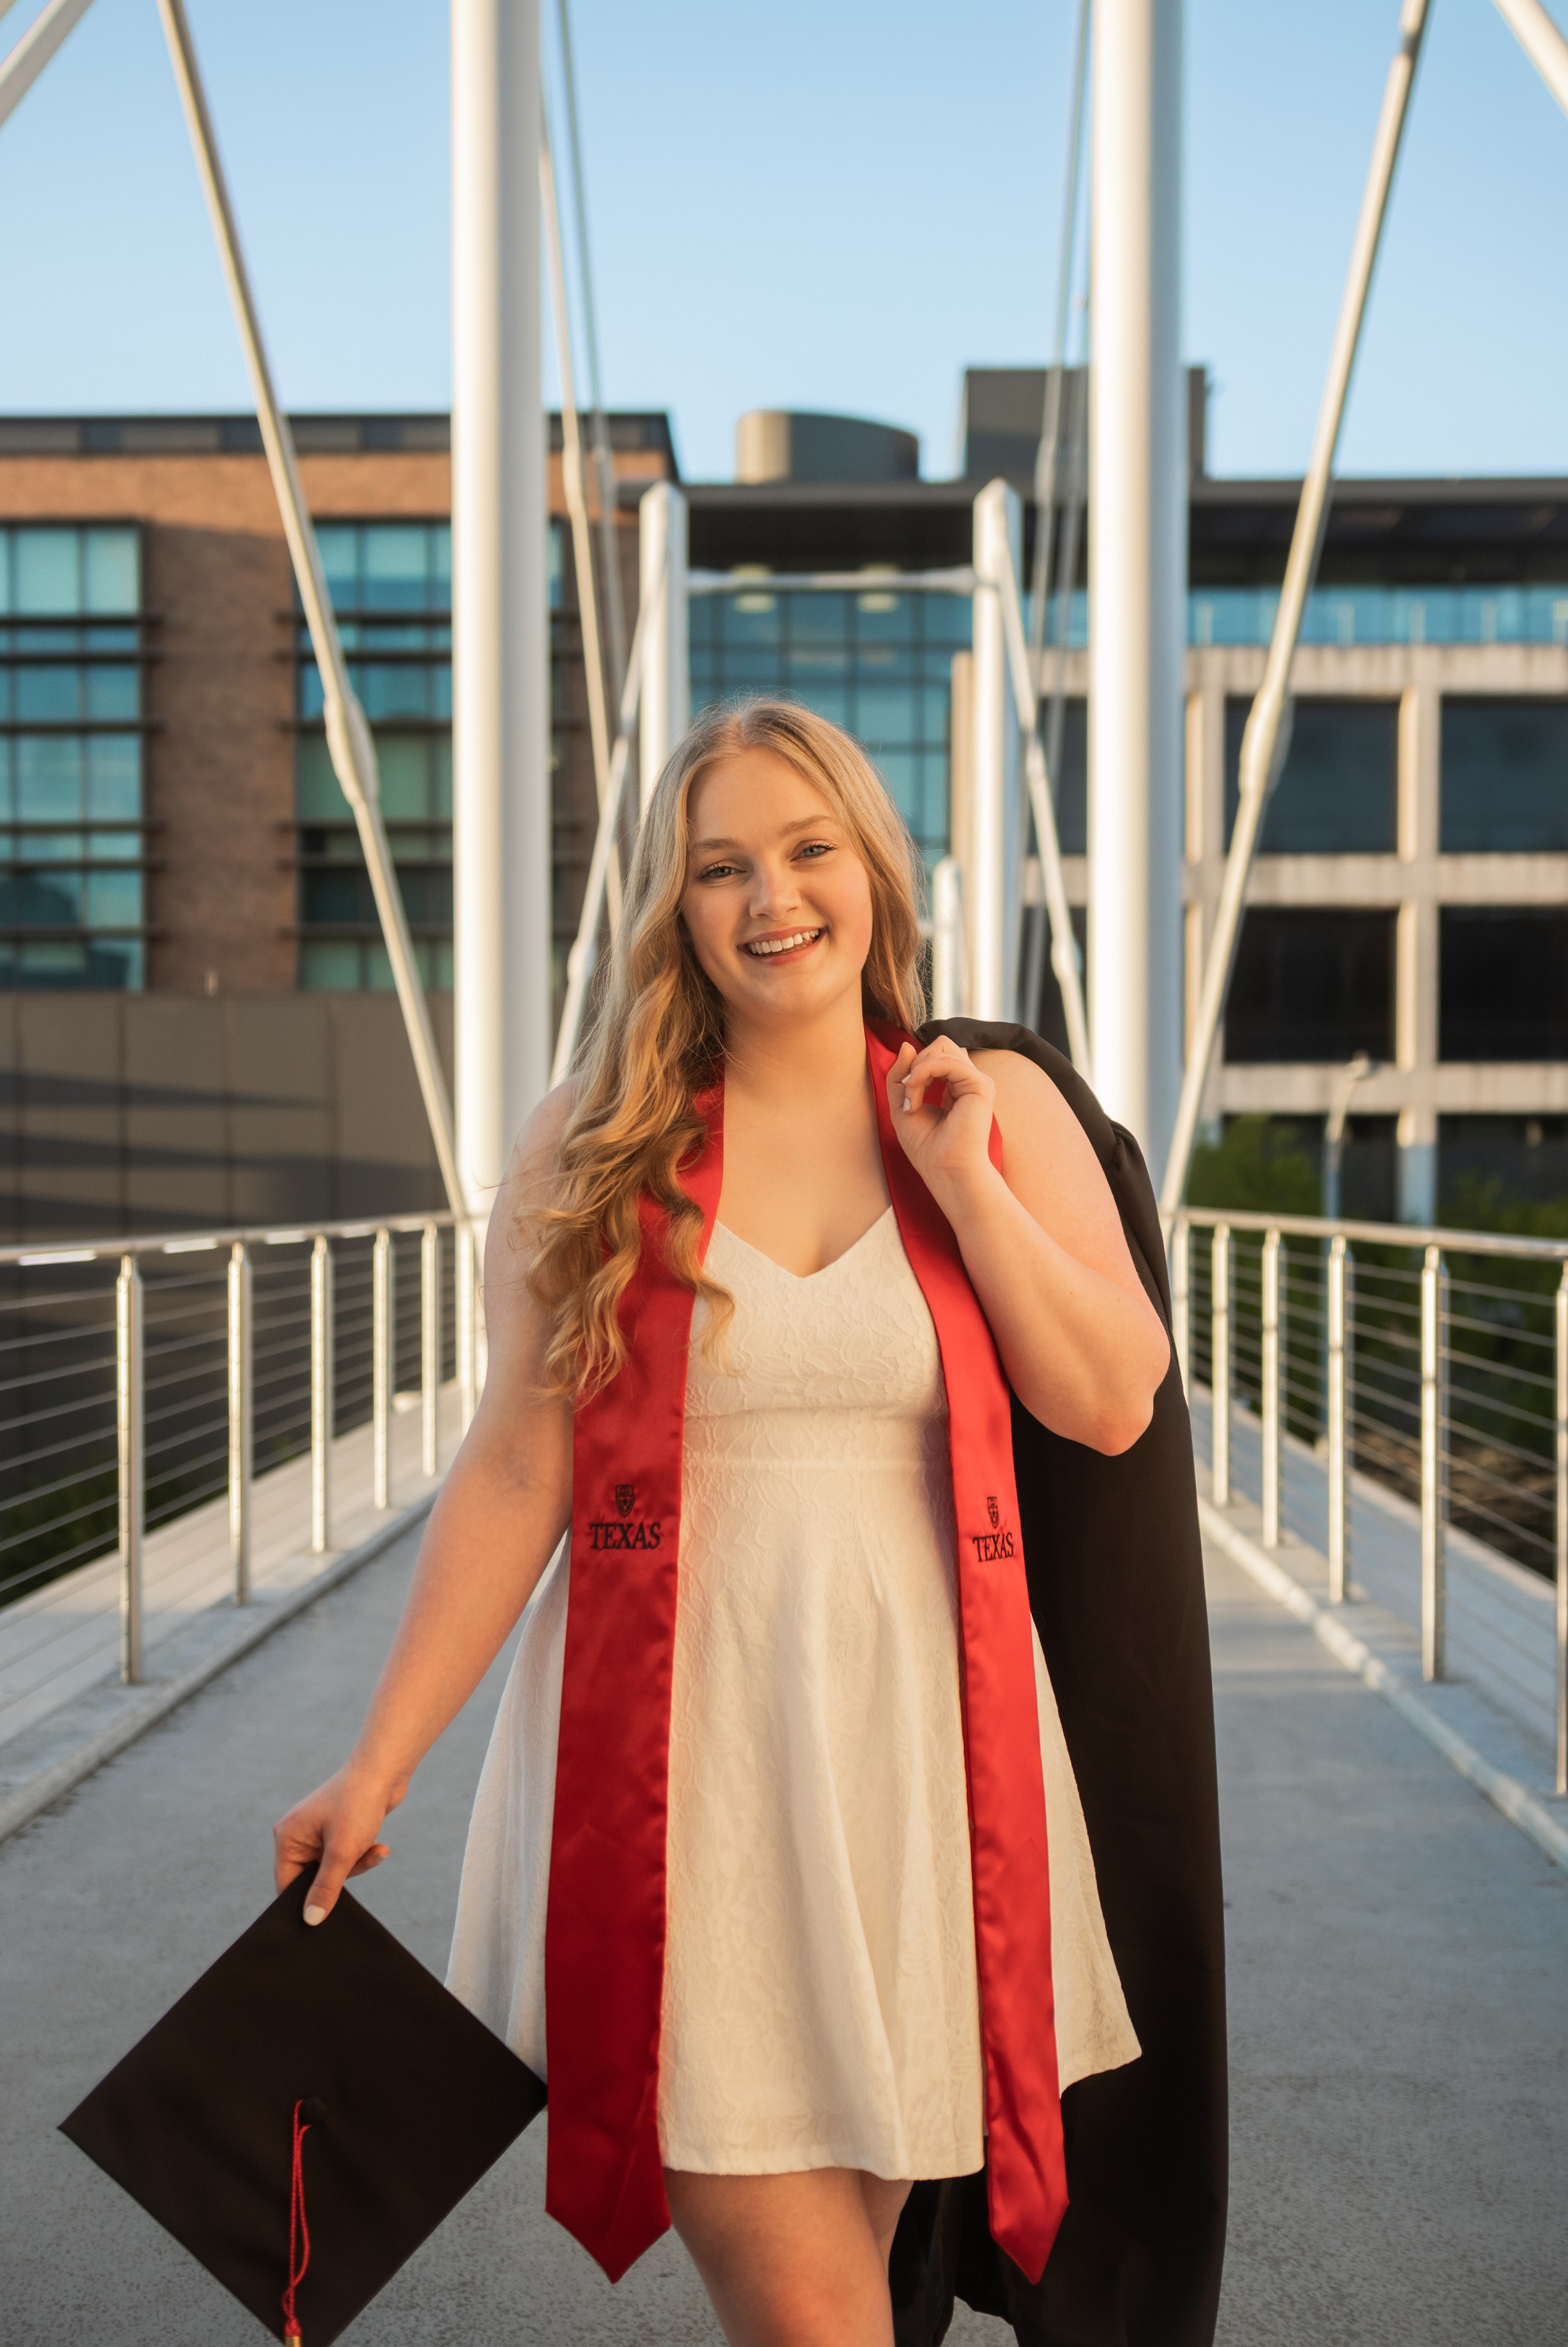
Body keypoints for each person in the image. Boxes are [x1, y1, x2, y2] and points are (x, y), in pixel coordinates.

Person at [273, 698, 1181, 2347]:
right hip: (677, 1769)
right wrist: (376, 1766)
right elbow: (518, 1467)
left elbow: (1112, 1400)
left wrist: (967, 1182)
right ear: (675, 907)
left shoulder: (994, 1104)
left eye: (809, 848)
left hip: (916, 1760)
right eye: (721, 867)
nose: (775, 898)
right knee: (813, 2312)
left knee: (849, 2295)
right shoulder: (596, 1137)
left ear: (873, 867)